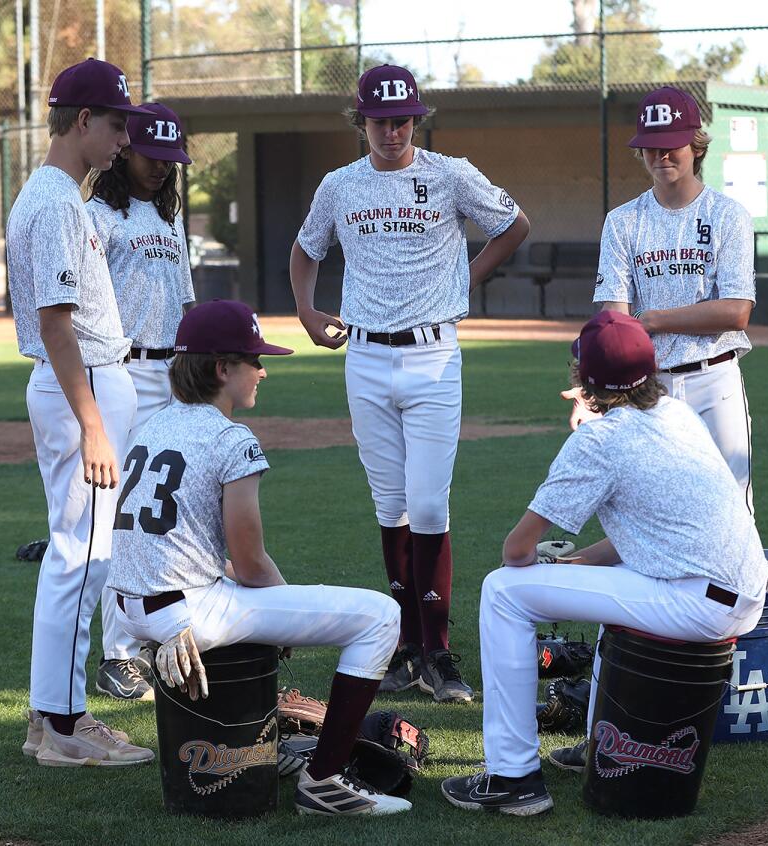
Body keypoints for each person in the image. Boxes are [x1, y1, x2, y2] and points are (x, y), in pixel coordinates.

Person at [440, 311, 767, 816]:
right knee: (611, 592)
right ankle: (600, 745)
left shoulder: (599, 440)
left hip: (696, 600)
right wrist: (578, 566)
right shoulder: (678, 414)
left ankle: (512, 778)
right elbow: (650, 533)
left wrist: (554, 565)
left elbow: (517, 551)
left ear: (581, 379)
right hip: (739, 590)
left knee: (502, 591)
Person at [108, 299, 411, 817]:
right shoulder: (231, 438)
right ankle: (326, 781)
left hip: (133, 607)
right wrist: (283, 618)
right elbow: (250, 565)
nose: (263, 371)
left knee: (258, 600)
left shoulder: (150, 425)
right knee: (381, 617)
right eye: (254, 359)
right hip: (192, 611)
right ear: (223, 368)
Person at [290, 64, 530, 703]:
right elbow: (305, 250)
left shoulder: (450, 173)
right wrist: (309, 313)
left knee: (427, 504)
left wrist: (463, 282)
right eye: (379, 120)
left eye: (402, 120)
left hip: (433, 356)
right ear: (361, 123)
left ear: (416, 120)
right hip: (364, 357)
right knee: (388, 505)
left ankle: (439, 649)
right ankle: (404, 647)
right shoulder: (340, 185)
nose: (392, 131)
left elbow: (513, 225)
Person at [7, 57, 154, 766]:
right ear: (85, 120)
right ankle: (66, 727)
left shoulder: (46, 193)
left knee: (73, 557)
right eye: (118, 123)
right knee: (84, 558)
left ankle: (48, 717)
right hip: (83, 384)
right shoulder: (61, 201)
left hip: (77, 383)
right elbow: (58, 325)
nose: (125, 138)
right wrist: (95, 424)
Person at [587, 85, 756, 513]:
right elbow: (614, 317)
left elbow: (736, 312)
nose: (661, 157)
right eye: (651, 147)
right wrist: (596, 379)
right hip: (649, 385)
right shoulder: (623, 221)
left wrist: (654, 320)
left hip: (713, 379)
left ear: (694, 146)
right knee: (653, 507)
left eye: (671, 146)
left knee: (730, 508)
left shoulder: (727, 215)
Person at [85, 101, 196, 701]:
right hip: (120, 371)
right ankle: (117, 654)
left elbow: (183, 299)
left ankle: (148, 633)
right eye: (154, 157)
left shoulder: (169, 215)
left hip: (169, 371)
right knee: (119, 515)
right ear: (125, 149)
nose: (162, 169)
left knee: (160, 512)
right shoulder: (97, 215)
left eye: (171, 160)